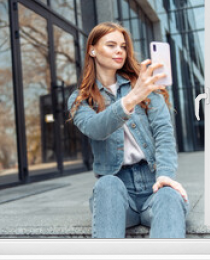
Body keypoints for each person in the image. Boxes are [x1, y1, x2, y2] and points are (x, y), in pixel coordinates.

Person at [67, 22, 189, 238]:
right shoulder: (80, 99)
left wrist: (165, 175)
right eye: (111, 45)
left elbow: (163, 133)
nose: (119, 51)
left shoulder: (144, 85)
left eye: (122, 46)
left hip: (153, 184)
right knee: (107, 185)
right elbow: (96, 129)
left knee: (170, 196)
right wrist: (133, 97)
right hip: (117, 191)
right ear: (92, 50)